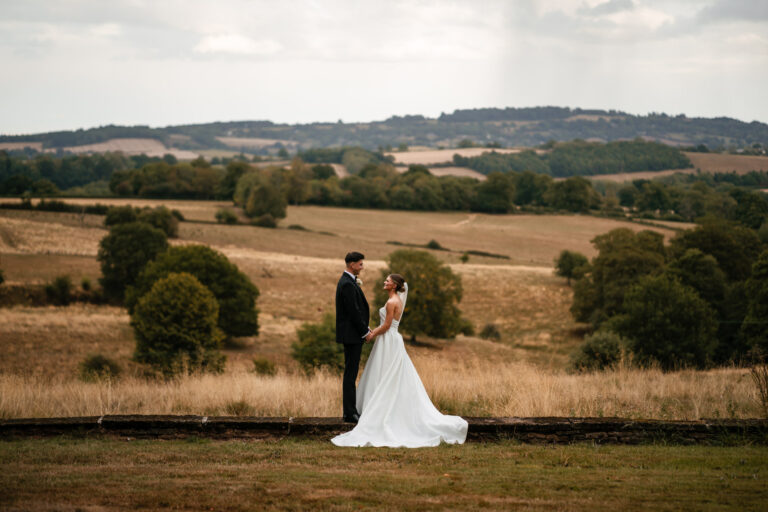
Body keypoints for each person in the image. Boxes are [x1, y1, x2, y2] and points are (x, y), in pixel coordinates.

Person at [332, 273, 468, 448]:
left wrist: (371, 334)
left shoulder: (391, 303)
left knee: (384, 373)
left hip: (388, 339)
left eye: (387, 281)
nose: (385, 282)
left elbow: (387, 325)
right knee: (388, 374)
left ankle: (378, 411)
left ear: (394, 285)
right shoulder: (397, 300)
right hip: (392, 339)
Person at [335, 251, 372, 423]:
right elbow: (353, 312)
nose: (362, 267)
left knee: (351, 373)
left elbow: (357, 310)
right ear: (352, 265)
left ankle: (350, 411)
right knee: (350, 374)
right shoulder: (347, 284)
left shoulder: (348, 281)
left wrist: (366, 327)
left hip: (352, 334)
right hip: (352, 336)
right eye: (360, 264)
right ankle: (350, 413)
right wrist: (364, 332)